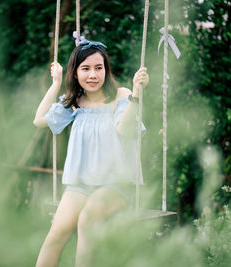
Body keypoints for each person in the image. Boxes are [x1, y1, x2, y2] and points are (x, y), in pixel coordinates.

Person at [33, 38, 149, 267]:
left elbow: (125, 130)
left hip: (117, 184)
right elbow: (39, 120)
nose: (93, 75)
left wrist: (136, 95)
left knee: (87, 219)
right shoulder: (76, 103)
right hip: (82, 185)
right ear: (75, 73)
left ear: (106, 70)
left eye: (98, 68)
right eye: (85, 69)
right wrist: (55, 84)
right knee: (56, 233)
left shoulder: (122, 95)